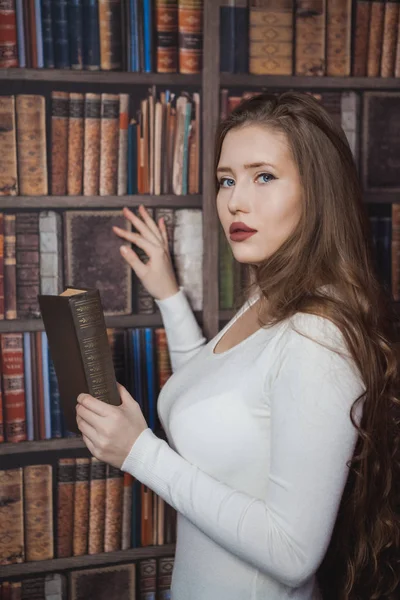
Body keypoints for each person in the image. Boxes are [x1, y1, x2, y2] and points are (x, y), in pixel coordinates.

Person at [75, 91, 400, 599]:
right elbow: (215, 390)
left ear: (318, 191)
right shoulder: (270, 296)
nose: (234, 201)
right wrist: (169, 295)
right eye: (227, 179)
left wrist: (140, 453)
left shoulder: (318, 336)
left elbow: (293, 552)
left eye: (263, 176)